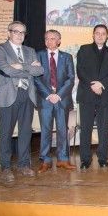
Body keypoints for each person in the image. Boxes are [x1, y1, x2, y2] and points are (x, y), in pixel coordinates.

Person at [0, 21, 44, 183]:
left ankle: (23, 164)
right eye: (16, 31)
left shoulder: (30, 50)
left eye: (23, 32)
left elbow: (39, 71)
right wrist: (28, 67)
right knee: (6, 132)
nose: (20, 35)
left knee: (25, 132)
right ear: (9, 33)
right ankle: (6, 167)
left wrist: (19, 66)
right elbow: (5, 70)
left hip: (27, 95)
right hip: (8, 95)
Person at [34, 30, 76, 173]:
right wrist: (48, 95)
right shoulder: (37, 55)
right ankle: (45, 160)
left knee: (62, 130)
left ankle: (63, 160)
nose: (49, 41)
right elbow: (35, 78)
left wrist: (58, 95)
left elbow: (71, 78)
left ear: (59, 41)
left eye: (53, 38)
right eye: (47, 39)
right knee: (45, 130)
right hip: (45, 100)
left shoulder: (67, 57)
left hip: (61, 99)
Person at [76, 24, 108, 169]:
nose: (100, 36)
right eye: (97, 33)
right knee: (85, 128)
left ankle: (103, 158)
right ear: (93, 35)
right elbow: (80, 70)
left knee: (103, 128)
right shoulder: (84, 49)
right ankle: (85, 159)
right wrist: (93, 85)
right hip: (87, 94)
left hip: (105, 95)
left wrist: (101, 84)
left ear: (106, 36)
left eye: (103, 33)